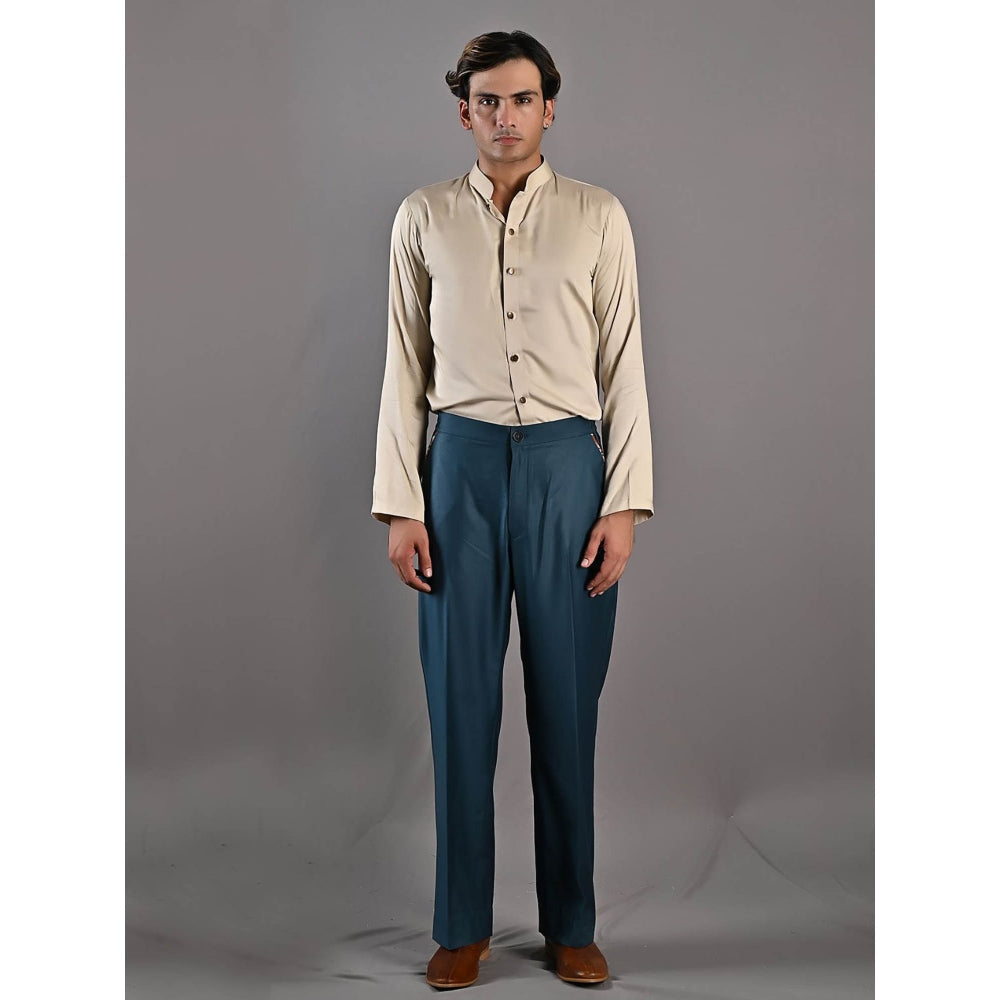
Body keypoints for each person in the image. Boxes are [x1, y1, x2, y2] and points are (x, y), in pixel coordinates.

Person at [370, 29, 654, 989]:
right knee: (460, 703)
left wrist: (625, 502)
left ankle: (571, 923)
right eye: (488, 101)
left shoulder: (597, 215)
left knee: (567, 703)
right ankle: (461, 926)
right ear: (465, 113)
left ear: (549, 108)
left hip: (570, 467)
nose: (505, 116)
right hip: (459, 466)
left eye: (522, 99)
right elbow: (404, 363)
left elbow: (624, 361)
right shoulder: (422, 217)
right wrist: (401, 504)